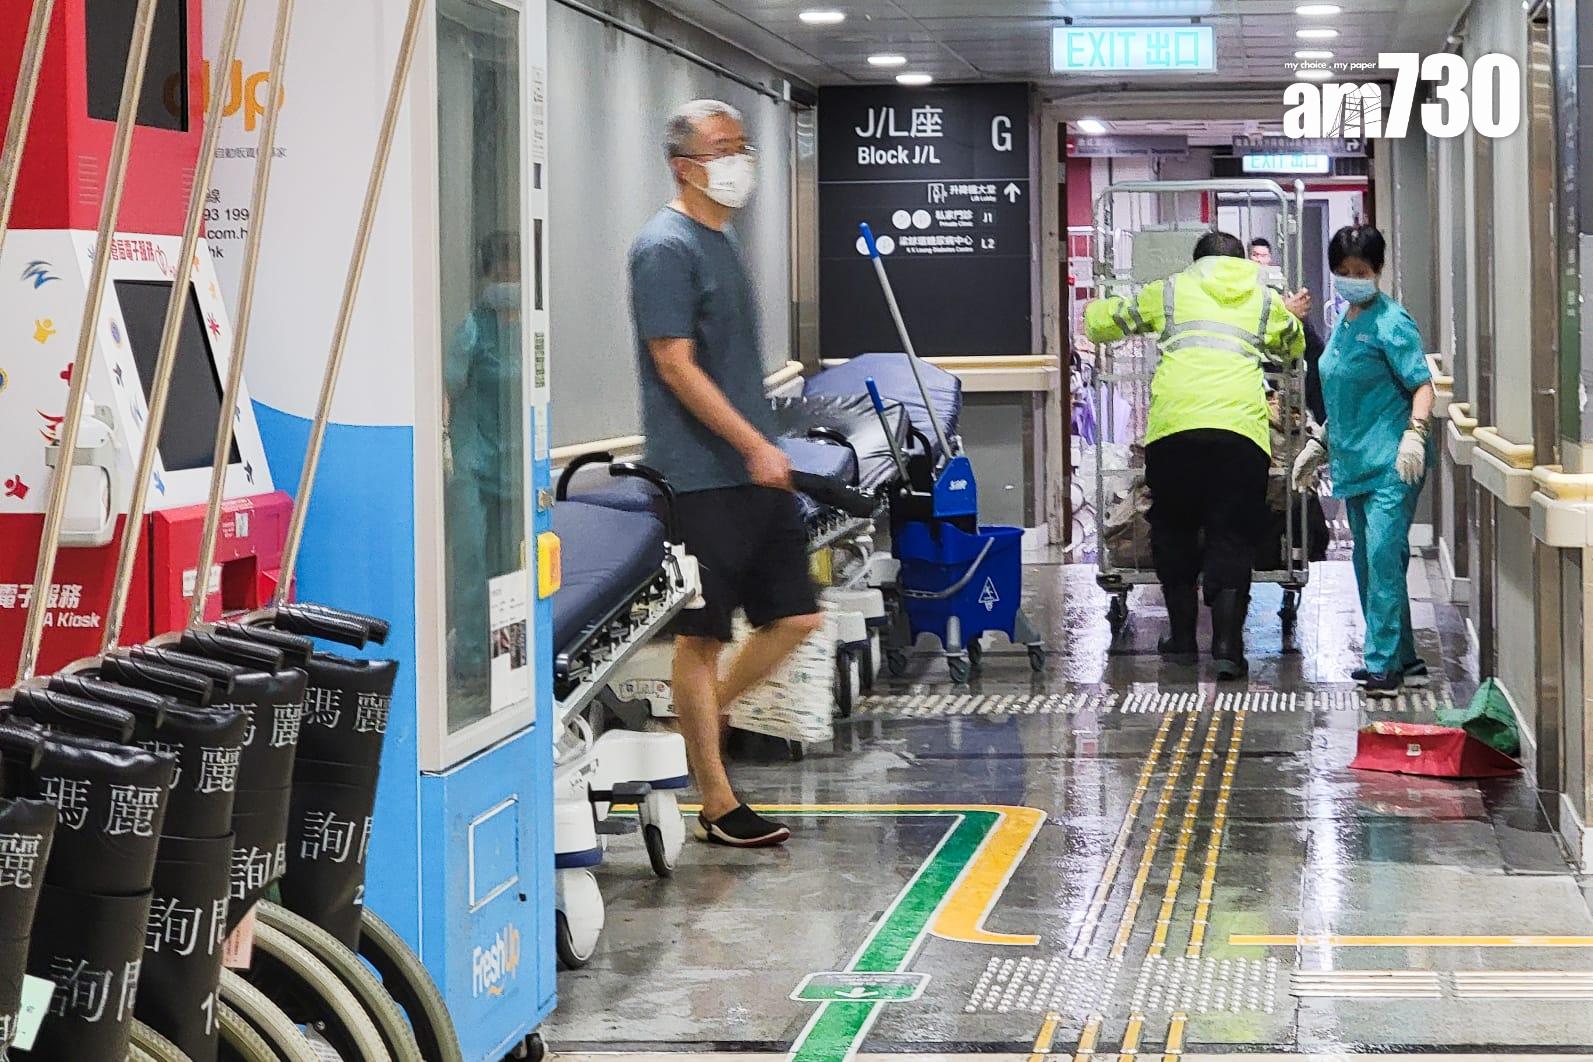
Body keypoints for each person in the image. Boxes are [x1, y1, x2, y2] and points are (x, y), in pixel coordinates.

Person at [628, 100, 823, 847]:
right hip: (698, 476)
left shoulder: (722, 238)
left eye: (743, 146)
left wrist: (762, 446)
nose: (739, 160)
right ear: (683, 166)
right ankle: (716, 800)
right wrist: (752, 444)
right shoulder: (663, 247)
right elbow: (674, 365)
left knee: (795, 617)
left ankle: (698, 717)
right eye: (722, 148)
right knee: (702, 639)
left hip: (752, 467)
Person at [1085, 231, 1306, 679]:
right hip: (1241, 434)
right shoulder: (1264, 300)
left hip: (1175, 431)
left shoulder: (1169, 290)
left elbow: (1101, 325)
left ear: (1196, 261)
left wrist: (1096, 304)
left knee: (1174, 528)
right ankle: (1227, 648)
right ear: (1243, 263)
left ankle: (1183, 640)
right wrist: (1288, 316)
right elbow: (1294, 346)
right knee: (1233, 534)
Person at [1292, 225, 1434, 698]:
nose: (1352, 279)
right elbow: (1343, 390)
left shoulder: (1392, 322)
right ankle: (1405, 660)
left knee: (1381, 558)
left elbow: (1422, 385)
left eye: (1362, 271)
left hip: (1394, 461)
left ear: (1378, 270)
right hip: (1354, 460)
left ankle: (1381, 666)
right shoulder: (1347, 320)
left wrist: (1415, 435)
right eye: (1344, 271)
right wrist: (1322, 442)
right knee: (1372, 562)